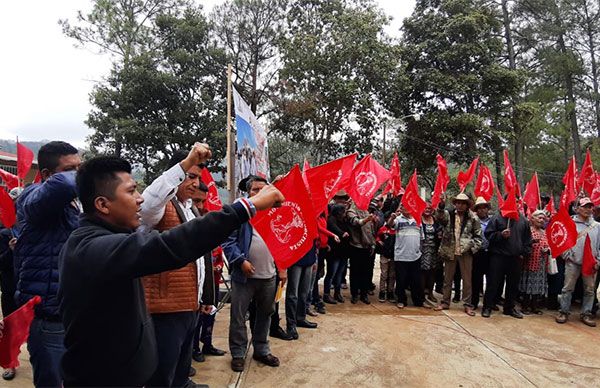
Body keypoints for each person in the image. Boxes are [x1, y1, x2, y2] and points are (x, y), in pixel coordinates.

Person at [59, 152, 284, 386]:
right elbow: (170, 245)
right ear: (102, 204)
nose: (140, 199)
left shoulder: (111, 238)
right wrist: (245, 207)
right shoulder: (91, 249)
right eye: (131, 191)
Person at [138, 148, 216, 387]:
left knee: (182, 365)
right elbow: (147, 203)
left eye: (198, 178)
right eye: (190, 176)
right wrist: (186, 163)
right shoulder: (158, 208)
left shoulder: (190, 207)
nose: (195, 183)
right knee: (161, 372)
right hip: (165, 308)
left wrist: (204, 297)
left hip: (188, 305)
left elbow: (199, 258)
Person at [14, 141, 81, 387]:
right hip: (50, 316)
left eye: (80, 167)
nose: (78, 174)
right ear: (46, 175)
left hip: (74, 315)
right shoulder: (32, 197)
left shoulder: (76, 204)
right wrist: (88, 174)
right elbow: (63, 184)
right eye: (70, 168)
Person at [222, 175, 287, 372]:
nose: (259, 194)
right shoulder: (240, 214)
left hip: (269, 276)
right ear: (248, 193)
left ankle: (261, 349)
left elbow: (284, 242)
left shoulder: (276, 214)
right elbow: (228, 241)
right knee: (239, 316)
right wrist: (240, 261)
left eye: (262, 189)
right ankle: (238, 353)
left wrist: (282, 267)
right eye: (254, 190)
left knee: (265, 314)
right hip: (244, 278)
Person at [191, 184, 227, 363]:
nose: (201, 206)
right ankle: (194, 348)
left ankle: (207, 343)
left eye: (203, 201)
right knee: (196, 316)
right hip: (195, 280)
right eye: (196, 201)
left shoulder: (209, 219)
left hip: (213, 276)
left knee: (211, 311)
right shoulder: (188, 222)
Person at [481, 200, 532, 319]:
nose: (516, 204)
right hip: (498, 257)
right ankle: (487, 306)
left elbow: (527, 240)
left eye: (518, 202)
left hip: (515, 258)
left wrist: (523, 253)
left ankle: (509, 308)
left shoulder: (523, 220)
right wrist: (500, 235)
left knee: (513, 285)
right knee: (493, 283)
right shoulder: (497, 218)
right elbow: (488, 235)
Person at [434, 193, 482, 316]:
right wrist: (441, 205)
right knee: (447, 278)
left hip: (466, 252)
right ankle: (445, 301)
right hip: (450, 250)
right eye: (458, 203)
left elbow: (478, 236)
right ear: (455, 204)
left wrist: (472, 249)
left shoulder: (473, 218)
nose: (460, 205)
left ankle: (467, 304)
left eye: (463, 203)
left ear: (467, 205)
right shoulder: (448, 214)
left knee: (467, 280)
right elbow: (439, 217)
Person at [556, 197, 600, 327]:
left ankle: (586, 313)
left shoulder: (597, 226)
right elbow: (562, 240)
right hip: (573, 261)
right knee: (567, 288)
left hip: (591, 263)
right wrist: (566, 255)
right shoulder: (570, 222)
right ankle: (563, 311)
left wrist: (598, 260)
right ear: (577, 208)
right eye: (585, 206)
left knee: (589, 290)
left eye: (590, 206)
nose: (588, 209)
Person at [0, 187, 23, 381]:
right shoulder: (2, 232)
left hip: (30, 286)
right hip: (9, 287)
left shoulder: (33, 228)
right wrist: (10, 251)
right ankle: (10, 364)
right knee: (10, 327)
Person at [389, 204, 425, 309]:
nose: (407, 209)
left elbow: (422, 238)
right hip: (401, 256)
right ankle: (401, 300)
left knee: (416, 280)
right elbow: (389, 225)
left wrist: (420, 251)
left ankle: (418, 301)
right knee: (401, 280)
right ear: (401, 208)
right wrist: (392, 217)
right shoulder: (398, 219)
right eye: (404, 207)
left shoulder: (418, 219)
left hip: (415, 255)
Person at [285, 242, 319, 340]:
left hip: (309, 257)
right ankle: (291, 324)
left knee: (304, 292)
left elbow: (314, 238)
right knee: (293, 294)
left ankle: (301, 317)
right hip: (295, 258)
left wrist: (315, 258)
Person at [345, 201, 376, 304]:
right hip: (356, 245)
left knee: (366, 272)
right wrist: (367, 219)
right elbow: (356, 222)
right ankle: (354, 294)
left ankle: (364, 294)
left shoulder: (367, 211)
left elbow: (371, 230)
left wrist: (372, 243)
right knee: (355, 272)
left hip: (367, 246)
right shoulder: (351, 211)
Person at [519, 210, 549, 315]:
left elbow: (549, 245)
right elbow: (523, 244)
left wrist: (547, 249)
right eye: (539, 218)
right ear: (532, 219)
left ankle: (534, 306)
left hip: (541, 263)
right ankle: (525, 306)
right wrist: (532, 242)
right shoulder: (529, 231)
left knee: (538, 285)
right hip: (529, 262)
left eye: (543, 219)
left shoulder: (545, 232)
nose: (541, 220)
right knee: (528, 284)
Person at [323, 203, 350, 304]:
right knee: (331, 273)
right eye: (343, 211)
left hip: (343, 251)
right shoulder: (331, 219)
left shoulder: (344, 220)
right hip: (334, 252)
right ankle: (326, 294)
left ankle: (337, 293)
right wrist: (342, 233)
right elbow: (334, 228)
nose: (345, 213)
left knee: (339, 273)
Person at [472, 197, 492, 310]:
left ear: (487, 209)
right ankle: (474, 302)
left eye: (484, 208)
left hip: (490, 253)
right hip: (477, 253)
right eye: (479, 208)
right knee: (476, 279)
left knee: (491, 280)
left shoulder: (493, 221)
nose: (482, 210)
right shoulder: (473, 220)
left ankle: (488, 304)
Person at [420, 204, 442, 306]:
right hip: (423, 249)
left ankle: (430, 293)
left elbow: (439, 230)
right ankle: (421, 295)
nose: (427, 210)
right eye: (425, 208)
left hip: (434, 249)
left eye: (429, 208)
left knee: (433, 272)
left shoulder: (435, 220)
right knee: (423, 272)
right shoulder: (419, 220)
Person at [376, 219, 396, 303]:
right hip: (384, 255)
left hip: (394, 256)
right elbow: (377, 236)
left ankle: (390, 292)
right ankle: (382, 291)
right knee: (384, 274)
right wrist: (379, 241)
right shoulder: (383, 229)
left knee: (392, 275)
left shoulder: (398, 229)